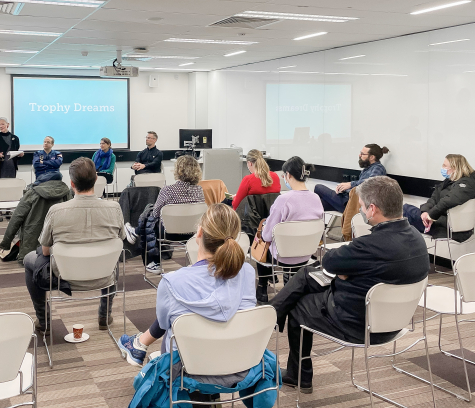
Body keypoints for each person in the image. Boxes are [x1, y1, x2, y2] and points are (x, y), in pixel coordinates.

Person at [270, 176, 429, 393]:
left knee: (300, 302)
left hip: (357, 322)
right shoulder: (417, 239)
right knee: (310, 275)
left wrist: (345, 274)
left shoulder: (370, 245)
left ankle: (297, 372)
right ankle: (273, 313)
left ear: (372, 209)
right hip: (394, 321)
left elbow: (329, 260)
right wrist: (347, 274)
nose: (360, 211)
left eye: (361, 206)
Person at [119, 203, 256, 365]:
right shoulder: (247, 272)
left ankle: (139, 344)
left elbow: (163, 324)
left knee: (171, 319)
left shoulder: (172, 282)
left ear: (199, 233)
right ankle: (139, 344)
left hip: (185, 367)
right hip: (236, 361)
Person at [23, 158, 125, 334]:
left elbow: (46, 251)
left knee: (28, 259)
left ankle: (44, 321)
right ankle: (104, 315)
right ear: (95, 180)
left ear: (71, 183)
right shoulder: (114, 208)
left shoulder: (56, 211)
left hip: (64, 277)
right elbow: (121, 239)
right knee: (112, 254)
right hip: (104, 275)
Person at [256, 156, 323, 303]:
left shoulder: (283, 200)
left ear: (289, 175)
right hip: (307, 254)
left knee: (259, 241)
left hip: (282, 256)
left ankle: (262, 289)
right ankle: (291, 285)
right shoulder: (316, 198)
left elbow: (267, 236)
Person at [124, 155, 205, 274]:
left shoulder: (167, 190)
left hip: (168, 233)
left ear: (178, 170)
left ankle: (152, 259)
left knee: (150, 211)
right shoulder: (199, 191)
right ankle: (135, 232)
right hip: (192, 232)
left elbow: (156, 214)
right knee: (151, 210)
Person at [403, 154, 475, 242]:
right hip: (440, 221)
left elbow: (448, 201)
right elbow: (434, 198)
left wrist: (430, 216)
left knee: (405, 211)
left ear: (454, 168)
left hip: (450, 227)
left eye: (445, 166)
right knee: (405, 213)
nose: (442, 168)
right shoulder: (449, 181)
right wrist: (425, 212)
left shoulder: (467, 184)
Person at [313, 144, 389, 213]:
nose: (360, 155)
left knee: (318, 187)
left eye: (362, 154)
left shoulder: (378, 168)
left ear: (372, 157)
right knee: (319, 205)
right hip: (349, 199)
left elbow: (371, 182)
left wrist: (350, 184)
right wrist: (345, 189)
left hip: (353, 203)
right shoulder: (367, 169)